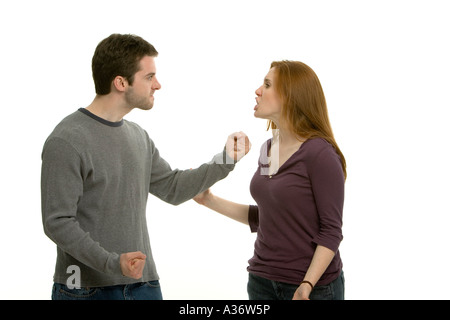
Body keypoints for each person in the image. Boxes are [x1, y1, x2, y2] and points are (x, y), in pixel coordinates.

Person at [41, 33, 250, 300]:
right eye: (149, 77)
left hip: (144, 285)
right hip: (85, 289)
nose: (158, 85)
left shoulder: (138, 136)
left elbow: (173, 189)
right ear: (120, 82)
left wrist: (226, 160)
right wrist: (113, 263)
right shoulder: (67, 140)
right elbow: (57, 222)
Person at [194, 60, 346, 300]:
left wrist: (306, 284)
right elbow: (266, 217)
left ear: (290, 96)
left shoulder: (320, 154)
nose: (257, 91)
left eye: (267, 84)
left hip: (310, 287)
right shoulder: (270, 148)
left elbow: (331, 231)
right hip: (261, 282)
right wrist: (208, 200)